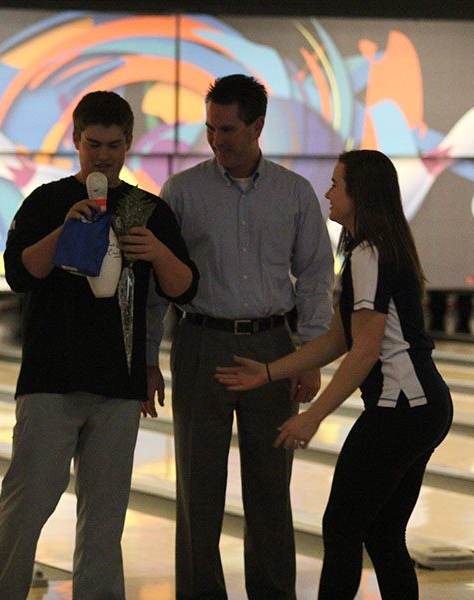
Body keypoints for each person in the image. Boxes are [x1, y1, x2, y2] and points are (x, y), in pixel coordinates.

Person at [0, 90, 198, 600]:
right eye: (93, 144)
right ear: (76, 141)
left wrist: (159, 250)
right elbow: (19, 274)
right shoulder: (47, 200)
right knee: (26, 503)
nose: (103, 155)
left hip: (118, 385)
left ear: (128, 145)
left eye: (114, 145)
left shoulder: (148, 209)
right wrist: (63, 231)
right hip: (50, 379)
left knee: (104, 518)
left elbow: (185, 286)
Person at [216, 149, 454, 600]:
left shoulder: (369, 253)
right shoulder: (379, 248)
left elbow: (364, 352)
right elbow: (338, 339)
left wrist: (313, 416)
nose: (328, 192)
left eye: (336, 184)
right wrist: (268, 372)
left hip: (400, 410)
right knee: (382, 534)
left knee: (341, 529)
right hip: (425, 407)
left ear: (359, 194)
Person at [151, 74, 334, 599]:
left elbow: (317, 277)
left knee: (271, 490)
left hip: (273, 346)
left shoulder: (295, 193)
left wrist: (309, 354)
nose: (216, 140)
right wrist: (147, 358)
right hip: (200, 342)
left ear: (257, 126)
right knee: (197, 493)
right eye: (210, 128)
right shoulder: (181, 191)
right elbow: (159, 288)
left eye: (228, 129)